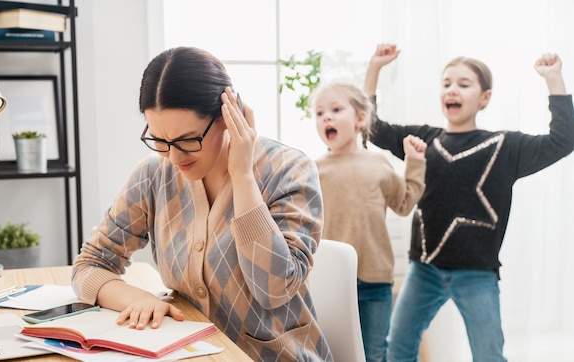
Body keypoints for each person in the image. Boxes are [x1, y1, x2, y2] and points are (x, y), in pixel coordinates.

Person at [71, 46, 333, 362]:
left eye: (187, 140)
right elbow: (89, 264)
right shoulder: (154, 174)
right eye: (160, 140)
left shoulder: (290, 170)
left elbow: (273, 290)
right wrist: (136, 298)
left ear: (228, 115)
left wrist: (242, 177)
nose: (174, 157)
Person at [363, 43, 574, 361]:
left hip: (476, 273)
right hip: (425, 268)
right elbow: (373, 129)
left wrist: (553, 79)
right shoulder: (424, 139)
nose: (452, 89)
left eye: (464, 84)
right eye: (447, 83)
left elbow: (563, 140)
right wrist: (374, 69)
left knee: (489, 355)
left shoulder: (504, 146)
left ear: (484, 97)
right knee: (399, 350)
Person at [310, 81, 427, 362]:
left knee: (374, 353)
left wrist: (414, 162)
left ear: (360, 119)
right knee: (333, 353)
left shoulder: (378, 164)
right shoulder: (313, 170)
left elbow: (404, 202)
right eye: (319, 113)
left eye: (336, 109)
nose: (326, 116)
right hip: (331, 281)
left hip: (375, 278)